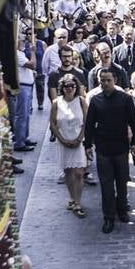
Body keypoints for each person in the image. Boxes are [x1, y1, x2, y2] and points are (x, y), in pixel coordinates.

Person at [83, 69, 135, 234]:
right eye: (102, 81)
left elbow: (133, 122)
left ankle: (122, 210)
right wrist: (88, 145)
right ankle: (108, 216)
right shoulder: (95, 100)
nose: (105, 83)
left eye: (108, 80)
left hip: (121, 148)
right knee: (106, 184)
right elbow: (89, 124)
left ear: (114, 80)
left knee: (122, 182)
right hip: (103, 148)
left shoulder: (125, 99)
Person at [49, 74, 88, 218]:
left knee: (79, 172)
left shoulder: (81, 101)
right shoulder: (56, 103)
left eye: (73, 85)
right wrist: (62, 139)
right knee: (68, 172)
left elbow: (86, 121)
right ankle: (72, 198)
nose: (70, 88)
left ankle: (78, 202)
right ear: (62, 88)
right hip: (63, 141)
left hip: (78, 141)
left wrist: (80, 138)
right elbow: (53, 123)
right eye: (67, 86)